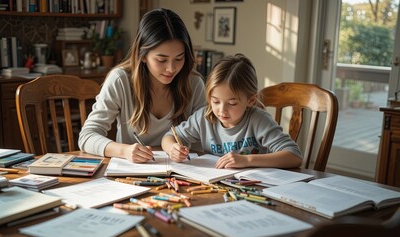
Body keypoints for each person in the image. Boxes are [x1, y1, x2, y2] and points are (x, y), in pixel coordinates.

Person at [78, 8, 206, 163]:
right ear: (143, 55)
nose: (171, 68)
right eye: (162, 60)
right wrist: (124, 151)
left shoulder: (194, 84)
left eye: (179, 58)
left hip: (183, 176)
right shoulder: (120, 80)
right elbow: (87, 136)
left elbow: (205, 140)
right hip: (131, 176)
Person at [161, 54, 302, 169]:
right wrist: (173, 148)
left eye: (232, 103)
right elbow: (168, 137)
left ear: (251, 100)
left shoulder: (259, 120)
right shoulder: (204, 117)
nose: (221, 110)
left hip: (252, 186)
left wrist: (247, 160)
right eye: (215, 101)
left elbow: (294, 156)